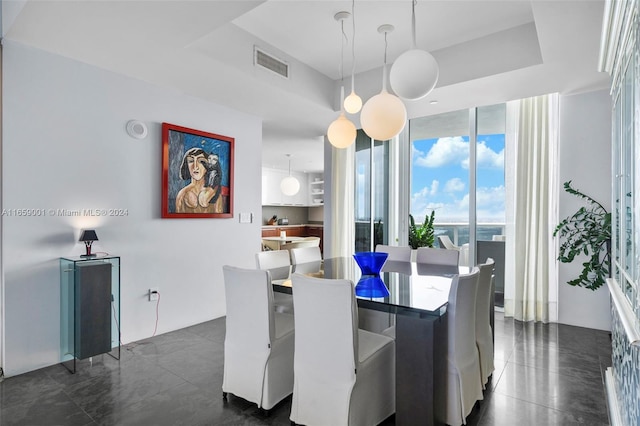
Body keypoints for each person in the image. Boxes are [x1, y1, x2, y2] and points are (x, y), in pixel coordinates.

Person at [175, 147, 224, 213]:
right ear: (186, 165)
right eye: (191, 161)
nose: (195, 167)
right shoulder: (182, 194)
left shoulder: (214, 193)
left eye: (201, 161)